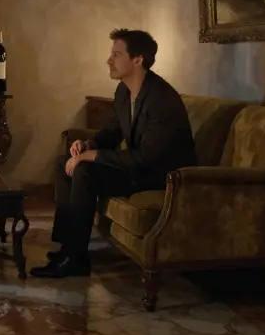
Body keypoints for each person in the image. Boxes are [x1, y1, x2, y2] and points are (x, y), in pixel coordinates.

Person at [30, 28, 196, 278]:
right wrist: (88, 145)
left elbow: (145, 158)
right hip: (139, 168)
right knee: (64, 163)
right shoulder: (123, 91)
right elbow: (111, 133)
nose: (109, 60)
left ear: (138, 60)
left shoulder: (161, 99)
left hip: (161, 176)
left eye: (116, 55)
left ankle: (75, 259)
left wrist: (91, 158)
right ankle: (68, 247)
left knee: (85, 171)